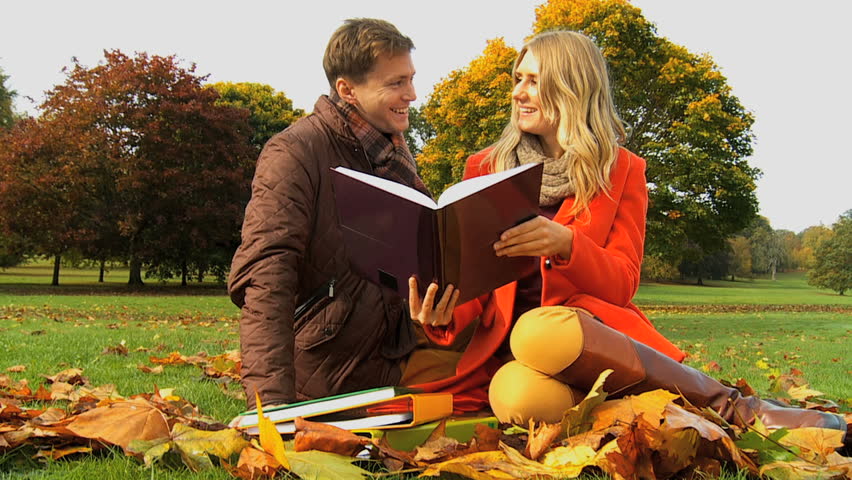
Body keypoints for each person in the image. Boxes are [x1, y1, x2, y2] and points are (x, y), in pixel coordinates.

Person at [406, 30, 847, 437]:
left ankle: (733, 408)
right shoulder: (484, 168)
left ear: (573, 89)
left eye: (534, 81)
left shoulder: (621, 169)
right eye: (518, 78)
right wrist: (444, 314)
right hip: (512, 355)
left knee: (537, 331)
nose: (518, 92)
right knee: (514, 396)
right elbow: (477, 286)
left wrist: (567, 244)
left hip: (581, 333)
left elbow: (621, 284)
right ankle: (661, 415)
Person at [228, 18, 426, 409]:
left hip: (399, 357)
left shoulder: (391, 154)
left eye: (411, 78)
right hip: (329, 372)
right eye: (396, 83)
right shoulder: (295, 152)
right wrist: (271, 412)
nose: (412, 94)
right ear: (347, 90)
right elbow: (267, 277)